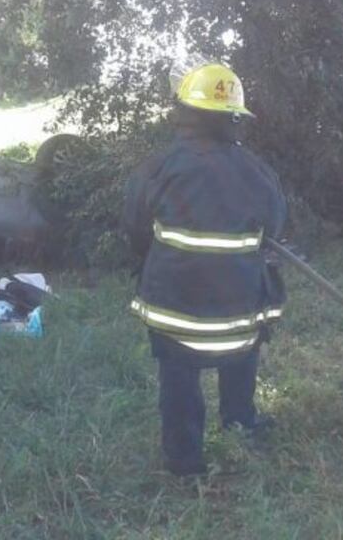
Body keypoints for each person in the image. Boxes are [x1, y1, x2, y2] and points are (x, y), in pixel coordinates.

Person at [122, 58, 287, 476]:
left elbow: (135, 230)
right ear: (235, 119)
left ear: (185, 113)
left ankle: (185, 462)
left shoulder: (158, 167)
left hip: (175, 314)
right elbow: (277, 228)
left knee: (178, 381)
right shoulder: (259, 171)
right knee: (243, 356)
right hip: (238, 316)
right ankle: (240, 421)